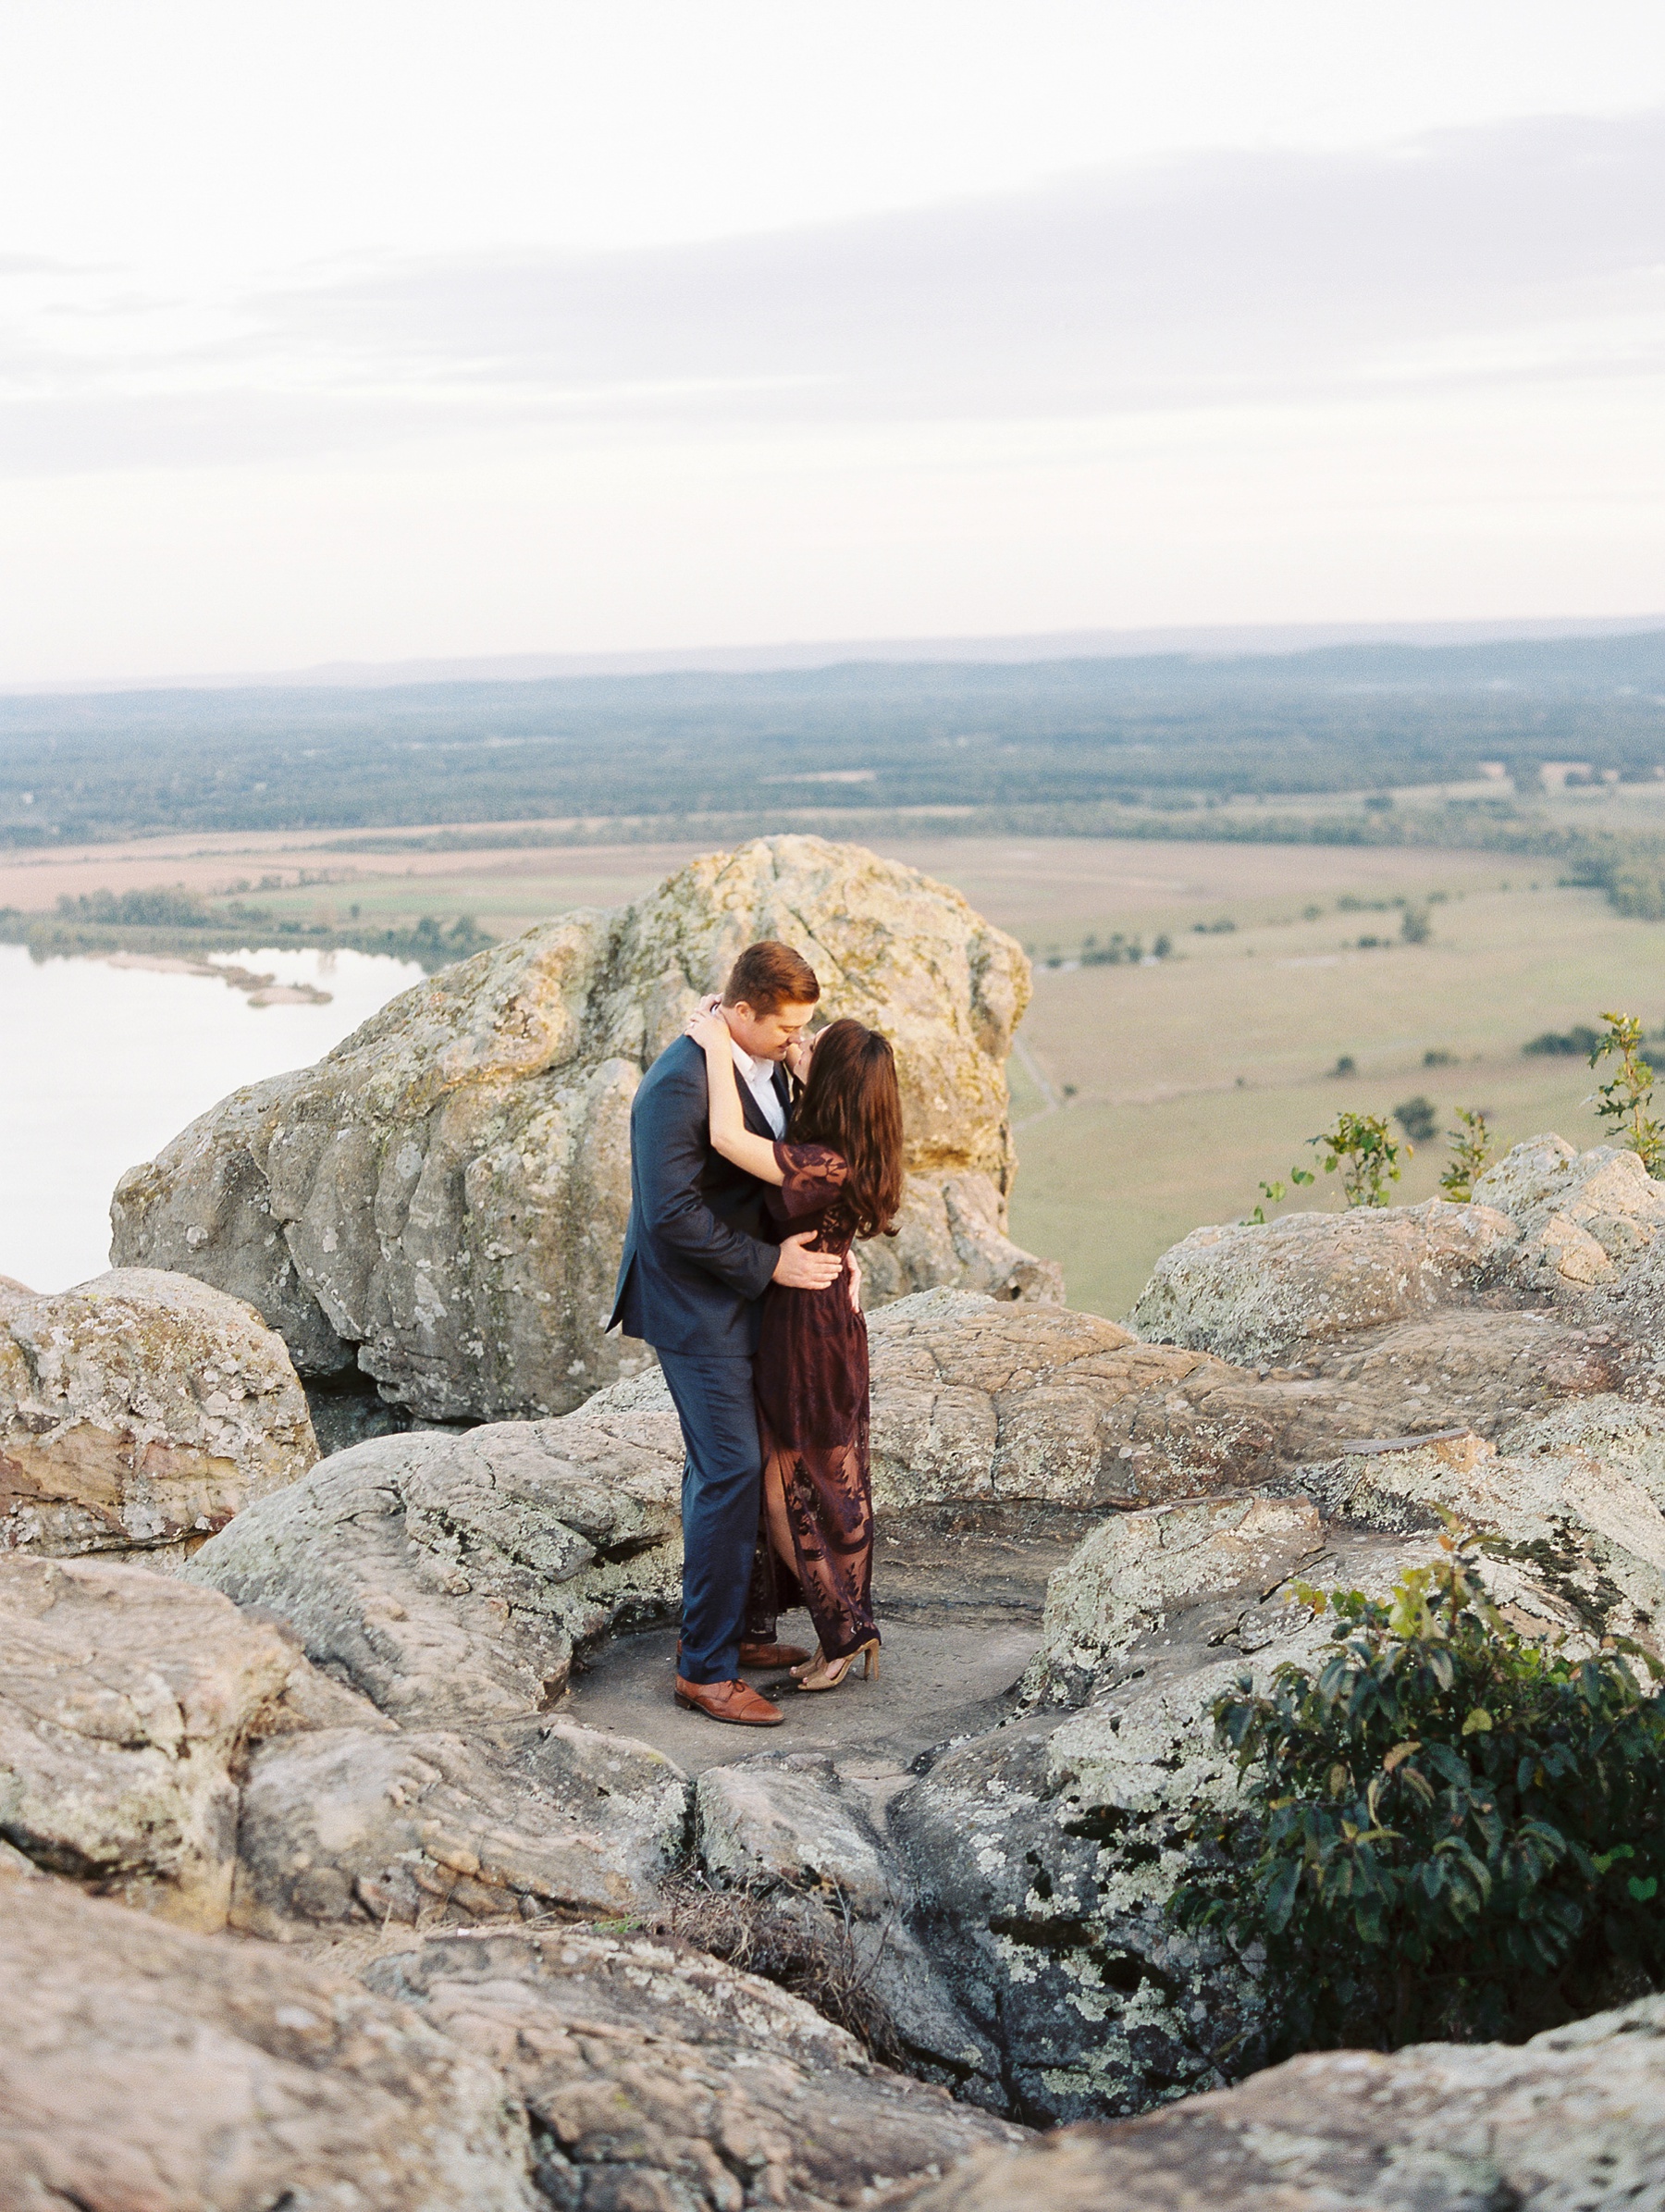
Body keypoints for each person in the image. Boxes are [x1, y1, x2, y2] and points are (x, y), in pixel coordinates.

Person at [608, 940, 845, 1727]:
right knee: (732, 1466)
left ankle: (735, 1633)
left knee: (727, 1468)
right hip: (694, 1306)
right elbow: (671, 1216)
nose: (796, 1041)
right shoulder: (672, 1088)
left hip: (742, 1301)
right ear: (739, 1012)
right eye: (786, 1028)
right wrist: (768, 1266)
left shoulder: (766, 1062)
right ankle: (703, 1671)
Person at [685, 1004, 903, 1692]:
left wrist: (714, 1040)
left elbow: (724, 1135)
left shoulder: (821, 1160)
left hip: (805, 1334)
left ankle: (842, 1630)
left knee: (795, 1491)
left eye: (818, 1043)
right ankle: (845, 1626)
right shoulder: (842, 1144)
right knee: (823, 1484)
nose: (801, 1041)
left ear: (833, 1080)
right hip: (819, 1319)